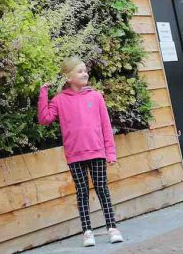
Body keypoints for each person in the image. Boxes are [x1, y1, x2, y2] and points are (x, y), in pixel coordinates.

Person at [38, 58, 123, 246]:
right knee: (82, 192)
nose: (85, 73)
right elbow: (44, 119)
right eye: (80, 71)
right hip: (75, 155)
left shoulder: (96, 97)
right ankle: (87, 232)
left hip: (98, 153)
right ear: (68, 77)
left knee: (103, 189)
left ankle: (112, 228)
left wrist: (111, 152)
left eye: (85, 70)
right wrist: (43, 92)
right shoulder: (59, 100)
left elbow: (106, 127)